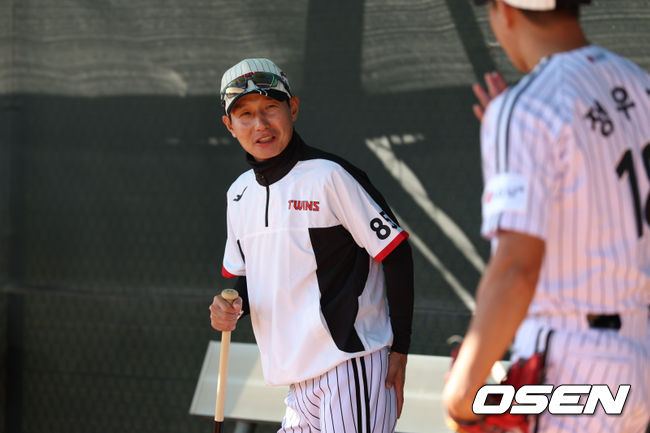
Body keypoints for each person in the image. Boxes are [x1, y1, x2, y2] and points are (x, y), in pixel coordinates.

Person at [442, 1, 650, 432]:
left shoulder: (527, 108)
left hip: (573, 365)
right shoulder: (640, 84)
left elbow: (516, 268)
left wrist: (464, 394)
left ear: (504, 10)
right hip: (638, 357)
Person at [209, 58, 414, 433]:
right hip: (297, 384)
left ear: (293, 108)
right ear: (229, 126)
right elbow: (247, 279)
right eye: (245, 114)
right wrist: (230, 306)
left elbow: (396, 252)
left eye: (271, 107)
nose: (260, 124)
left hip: (351, 366)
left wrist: (400, 348)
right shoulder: (238, 194)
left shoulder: (330, 176)